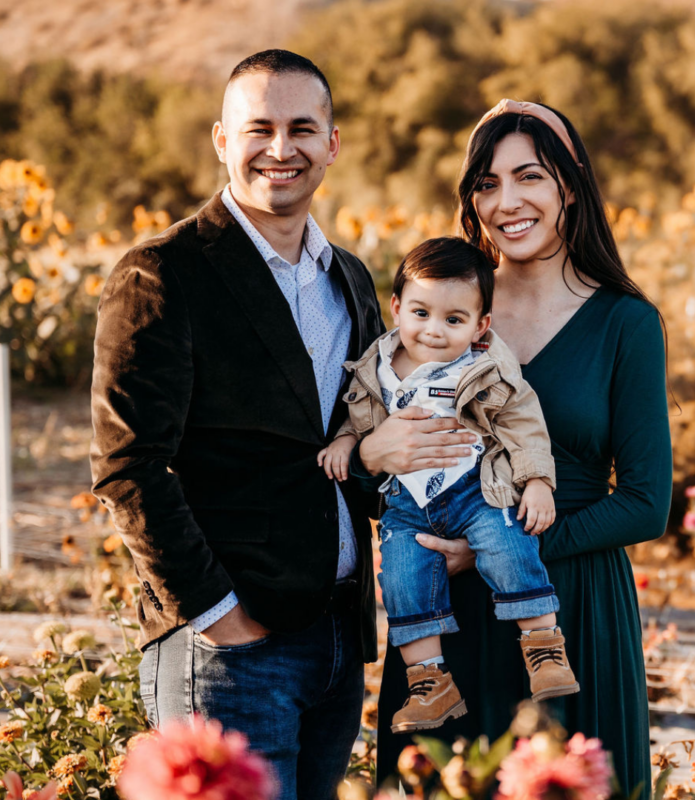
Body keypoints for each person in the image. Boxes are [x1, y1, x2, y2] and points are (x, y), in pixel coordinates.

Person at [89, 49, 477, 800]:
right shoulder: (163, 272)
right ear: (220, 140)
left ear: (332, 143)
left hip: (338, 638)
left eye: (303, 127)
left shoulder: (351, 278)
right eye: (258, 127)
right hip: (230, 647)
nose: (281, 148)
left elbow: (360, 439)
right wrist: (216, 614)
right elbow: (127, 466)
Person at [361, 101, 672, 798]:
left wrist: (503, 547)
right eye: (486, 184)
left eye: (528, 176)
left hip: (572, 608)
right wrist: (374, 453)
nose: (506, 202)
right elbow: (375, 439)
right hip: (445, 613)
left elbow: (648, 505)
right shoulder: (442, 305)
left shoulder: (625, 322)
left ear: (569, 184)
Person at [319, 236, 578, 735]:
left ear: (481, 325)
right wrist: (348, 441)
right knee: (399, 578)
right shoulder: (376, 365)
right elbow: (360, 413)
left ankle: (544, 647)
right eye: (420, 313)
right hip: (406, 502)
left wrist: (539, 481)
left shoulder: (482, 366)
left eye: (454, 320)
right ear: (396, 307)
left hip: (474, 490)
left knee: (508, 544)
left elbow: (522, 422)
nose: (434, 331)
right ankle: (429, 683)